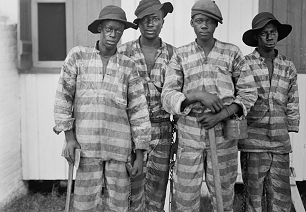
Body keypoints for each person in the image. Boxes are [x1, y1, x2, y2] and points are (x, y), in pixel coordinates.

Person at [161, 0, 257, 211]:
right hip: (190, 135)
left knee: (223, 196)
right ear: (192, 23)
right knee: (185, 197)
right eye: (199, 21)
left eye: (209, 21)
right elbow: (167, 96)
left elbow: (249, 92)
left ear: (216, 24)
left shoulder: (231, 53)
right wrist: (196, 96)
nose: (204, 25)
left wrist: (222, 114)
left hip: (223, 134)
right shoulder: (181, 55)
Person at [53, 5, 151, 212]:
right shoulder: (78, 57)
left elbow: (138, 110)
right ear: (100, 28)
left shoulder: (128, 66)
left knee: (119, 204)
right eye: (109, 29)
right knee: (84, 203)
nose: (113, 34)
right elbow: (64, 96)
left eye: (118, 30)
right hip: (85, 146)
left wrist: (140, 155)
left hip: (119, 147)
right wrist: (69, 138)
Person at [239, 12, 300, 212]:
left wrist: (290, 126)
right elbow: (238, 98)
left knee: (281, 198)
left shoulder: (287, 66)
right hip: (253, 142)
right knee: (253, 198)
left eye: (272, 32)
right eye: (264, 33)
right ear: (256, 37)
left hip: (280, 142)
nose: (269, 37)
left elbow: (292, 100)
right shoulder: (245, 64)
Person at [118, 0, 175, 211]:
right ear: (138, 23)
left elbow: (179, 94)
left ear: (163, 22)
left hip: (162, 130)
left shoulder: (174, 54)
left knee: (157, 194)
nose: (151, 24)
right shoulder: (123, 53)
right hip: (131, 131)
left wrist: (179, 138)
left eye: (156, 19)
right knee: (131, 191)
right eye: (146, 19)